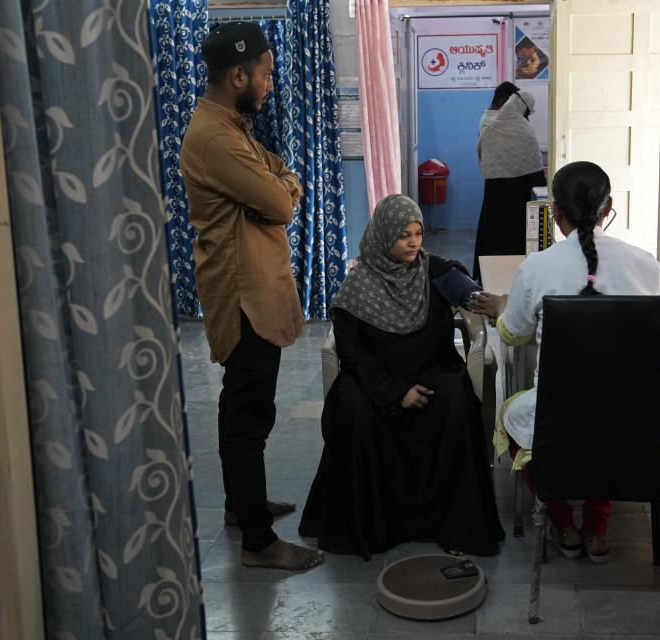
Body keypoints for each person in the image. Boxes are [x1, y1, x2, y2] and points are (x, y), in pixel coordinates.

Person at [473, 162, 660, 563]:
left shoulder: (536, 267)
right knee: (608, 417)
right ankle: (597, 527)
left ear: (555, 211)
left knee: (513, 414)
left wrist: (502, 308)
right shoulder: (648, 266)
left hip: (560, 420)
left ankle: (561, 522)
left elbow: (511, 334)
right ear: (608, 209)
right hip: (637, 425)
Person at [180, 22, 323, 571]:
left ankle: (244, 506)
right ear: (237, 74)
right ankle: (259, 543)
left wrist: (280, 184)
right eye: (264, 74)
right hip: (244, 297)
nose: (270, 83)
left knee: (247, 407)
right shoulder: (218, 137)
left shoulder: (231, 127)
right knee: (246, 413)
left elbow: (283, 175)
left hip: (252, 291)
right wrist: (282, 189)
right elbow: (284, 201)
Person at [299, 195, 505, 560]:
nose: (413, 243)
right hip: (374, 379)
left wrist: (485, 300)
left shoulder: (436, 271)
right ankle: (373, 530)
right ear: (382, 237)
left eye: (418, 233)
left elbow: (467, 292)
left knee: (457, 403)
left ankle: (456, 526)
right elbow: (353, 355)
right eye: (403, 236)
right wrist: (394, 392)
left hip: (433, 370)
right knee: (354, 412)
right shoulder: (358, 286)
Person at [474, 89, 546, 281]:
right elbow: (535, 171)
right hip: (518, 198)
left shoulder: (490, 129)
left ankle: (488, 278)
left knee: (492, 237)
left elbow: (482, 157)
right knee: (515, 240)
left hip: (495, 196)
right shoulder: (525, 131)